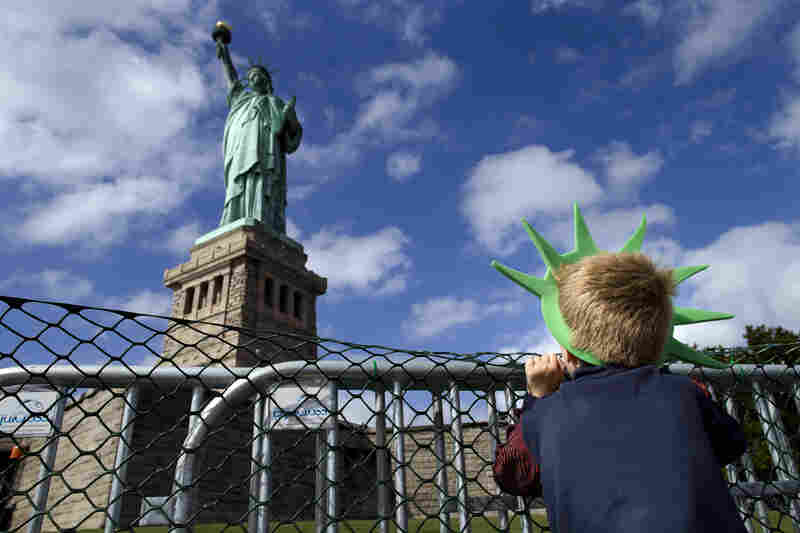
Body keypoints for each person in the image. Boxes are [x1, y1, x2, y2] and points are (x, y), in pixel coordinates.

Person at [491, 205, 748, 533]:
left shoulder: (549, 411)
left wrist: (538, 396)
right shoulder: (682, 393)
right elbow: (731, 444)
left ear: (567, 351)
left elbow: (514, 475)